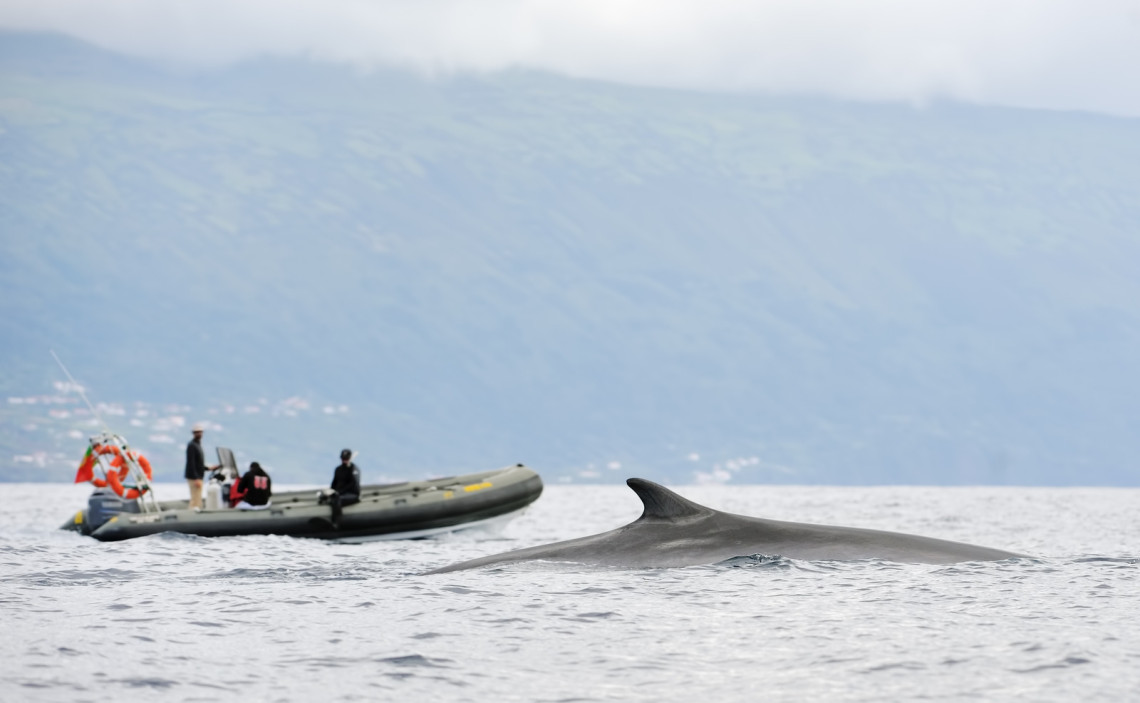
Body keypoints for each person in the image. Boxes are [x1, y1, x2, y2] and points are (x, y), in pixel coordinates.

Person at [184, 423, 218, 510]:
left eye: (200, 432)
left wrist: (208, 468)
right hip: (194, 477)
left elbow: (198, 463)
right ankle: (192, 515)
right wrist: (196, 478)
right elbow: (191, 463)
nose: (199, 434)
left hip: (199, 475)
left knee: (198, 498)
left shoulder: (198, 445)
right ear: (193, 433)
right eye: (197, 432)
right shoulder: (192, 445)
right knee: (195, 499)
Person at [325, 448, 361, 525]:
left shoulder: (354, 469)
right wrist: (331, 492)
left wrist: (339, 492)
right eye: (343, 459)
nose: (344, 460)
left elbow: (353, 484)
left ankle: (337, 523)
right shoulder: (338, 469)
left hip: (352, 494)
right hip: (340, 494)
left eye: (346, 459)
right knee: (330, 499)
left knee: (337, 500)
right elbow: (334, 483)